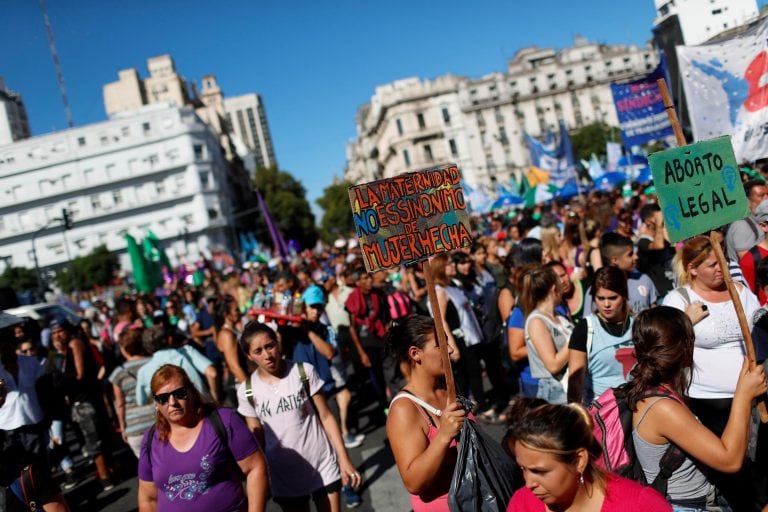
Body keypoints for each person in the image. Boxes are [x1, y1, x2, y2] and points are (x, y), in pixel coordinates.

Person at [625, 307, 767, 511]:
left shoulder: (656, 392)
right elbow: (730, 460)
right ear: (686, 348)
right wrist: (743, 396)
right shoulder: (661, 407)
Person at [663, 235, 763, 510]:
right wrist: (686, 321)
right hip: (709, 404)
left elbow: (760, 332)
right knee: (731, 473)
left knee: (758, 471)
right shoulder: (679, 299)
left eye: (722, 262)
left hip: (754, 396)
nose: (720, 269)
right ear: (692, 268)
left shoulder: (739, 291)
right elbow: (664, 346)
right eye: (711, 265)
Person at [236, 322, 362, 511]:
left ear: (278, 344)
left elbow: (326, 417)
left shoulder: (303, 371)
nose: (267, 355)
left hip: (322, 464)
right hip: (284, 475)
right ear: (249, 356)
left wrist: (344, 459)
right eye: (258, 351)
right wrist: (260, 478)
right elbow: (257, 438)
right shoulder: (247, 391)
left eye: (270, 346)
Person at [137, 364, 268, 512]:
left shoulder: (223, 420)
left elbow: (255, 468)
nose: (172, 402)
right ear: (156, 403)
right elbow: (148, 498)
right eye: (163, 398)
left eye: (180, 393)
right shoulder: (150, 439)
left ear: (192, 391)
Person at [504, 398, 672, 511]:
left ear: (579, 461)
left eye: (539, 471)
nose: (529, 483)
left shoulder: (639, 505)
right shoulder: (523, 503)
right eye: (523, 469)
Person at [386, 315, 467, 511]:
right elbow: (413, 483)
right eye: (440, 345)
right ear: (415, 353)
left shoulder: (449, 387)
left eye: (447, 342)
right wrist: (444, 436)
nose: (450, 350)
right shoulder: (404, 409)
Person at [0, 333, 70, 512]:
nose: (5, 349)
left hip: (34, 422)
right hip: (8, 428)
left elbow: (44, 389)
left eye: (7, 345)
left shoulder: (29, 362)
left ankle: (46, 504)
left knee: (40, 471)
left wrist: (49, 417)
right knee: (18, 476)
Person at [50, 319, 114, 490]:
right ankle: (106, 471)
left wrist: (58, 374)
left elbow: (79, 374)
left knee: (93, 440)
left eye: (60, 331)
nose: (57, 335)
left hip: (84, 399)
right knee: (90, 438)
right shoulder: (63, 351)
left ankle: (105, 476)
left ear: (68, 331)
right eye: (54, 332)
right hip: (78, 400)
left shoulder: (75, 343)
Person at [567, 266, 634, 403]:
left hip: (635, 404)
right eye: (600, 298)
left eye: (613, 298)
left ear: (624, 295)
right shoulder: (585, 328)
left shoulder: (638, 324)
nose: (606, 304)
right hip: (600, 409)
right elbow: (575, 381)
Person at [521, 266, 573, 404]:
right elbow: (553, 365)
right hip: (555, 391)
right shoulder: (536, 321)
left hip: (570, 386)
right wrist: (578, 337)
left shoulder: (559, 317)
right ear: (554, 289)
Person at [135, 324, 219, 406]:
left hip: (172, 416)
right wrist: (214, 398)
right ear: (169, 339)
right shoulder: (187, 351)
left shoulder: (143, 372)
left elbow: (141, 401)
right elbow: (212, 373)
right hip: (201, 407)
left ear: (147, 348)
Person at [583, 232, 658, 315]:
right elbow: (589, 323)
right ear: (615, 260)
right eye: (630, 254)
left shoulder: (644, 279)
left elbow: (655, 314)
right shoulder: (596, 290)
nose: (636, 257)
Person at [109, 326, 155, 458]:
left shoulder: (118, 373)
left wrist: (123, 427)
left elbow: (120, 404)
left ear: (123, 349)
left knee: (149, 471)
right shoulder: (153, 363)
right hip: (158, 421)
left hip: (135, 428)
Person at [726, 179, 768, 261]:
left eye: (767, 194)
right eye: (761, 195)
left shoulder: (759, 219)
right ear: (747, 201)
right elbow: (750, 262)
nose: (766, 198)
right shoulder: (741, 226)